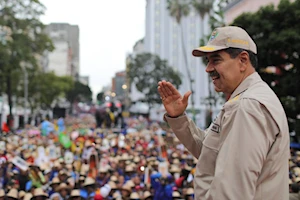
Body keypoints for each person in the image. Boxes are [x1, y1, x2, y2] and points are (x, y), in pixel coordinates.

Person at [157, 26, 290, 200]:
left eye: (216, 60)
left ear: (243, 60)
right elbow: (210, 153)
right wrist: (178, 118)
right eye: (208, 61)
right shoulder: (245, 99)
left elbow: (232, 192)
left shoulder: (247, 106)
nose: (208, 68)